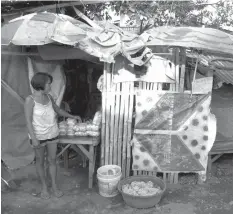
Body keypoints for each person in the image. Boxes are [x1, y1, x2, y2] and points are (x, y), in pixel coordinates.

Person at [24, 72, 81, 199]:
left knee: (52, 160)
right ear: (41, 85)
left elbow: (58, 110)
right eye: (49, 84)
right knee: (40, 162)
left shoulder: (49, 97)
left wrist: (72, 116)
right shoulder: (30, 100)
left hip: (52, 133)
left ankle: (54, 186)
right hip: (38, 136)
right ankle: (44, 188)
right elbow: (28, 121)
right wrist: (33, 138)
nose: (50, 86)